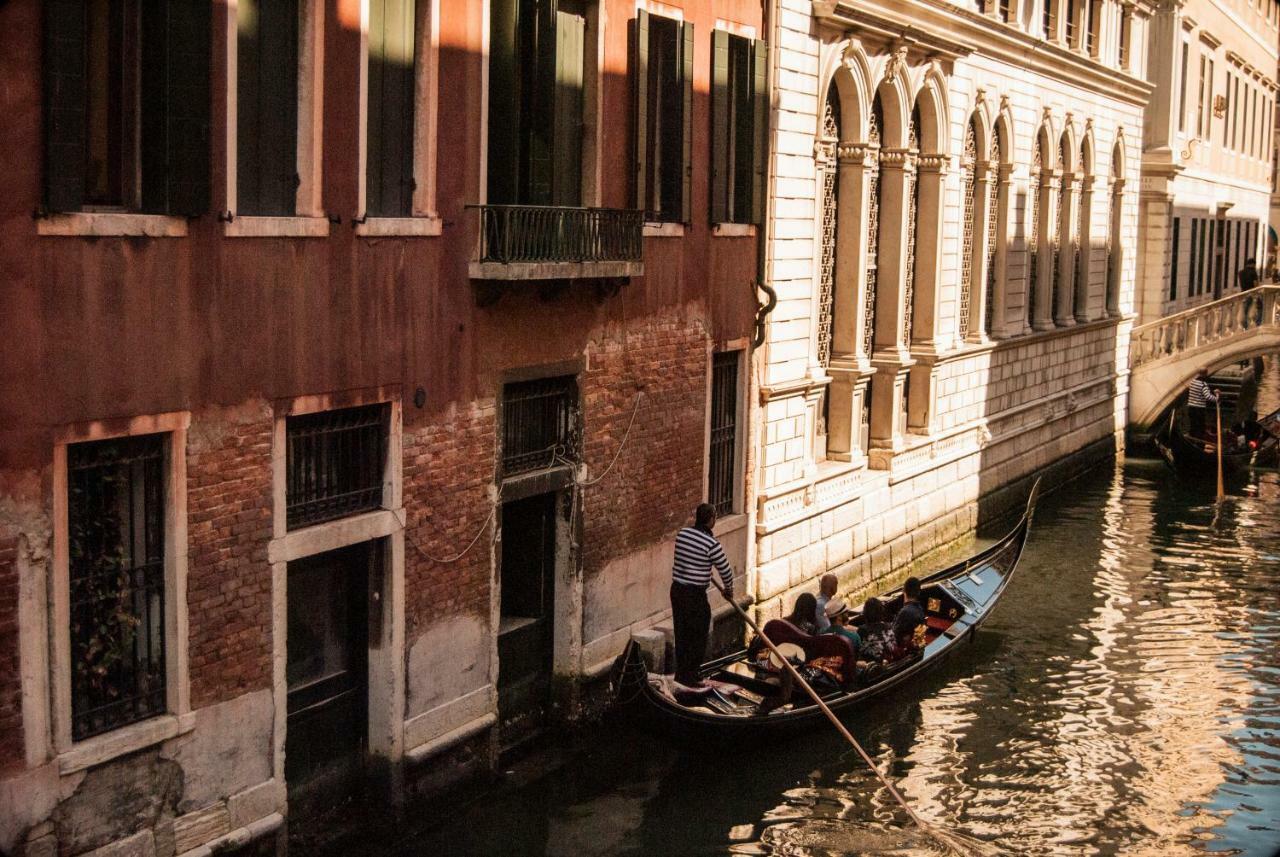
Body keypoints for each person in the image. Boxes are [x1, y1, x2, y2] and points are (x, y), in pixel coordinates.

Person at [670, 503, 735, 688]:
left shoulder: (682, 534)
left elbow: (688, 560)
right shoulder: (711, 544)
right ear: (711, 520)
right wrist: (728, 590)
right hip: (694, 596)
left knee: (682, 633)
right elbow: (726, 571)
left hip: (677, 591)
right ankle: (691, 676)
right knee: (698, 634)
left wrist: (703, 569)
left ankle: (681, 673)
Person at [892, 577, 927, 653]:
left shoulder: (905, 612)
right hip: (917, 647)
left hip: (906, 651)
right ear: (918, 592)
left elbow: (893, 635)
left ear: (904, 591)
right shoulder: (920, 609)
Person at [856, 598, 895, 663]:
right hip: (892, 661)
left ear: (865, 613)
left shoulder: (862, 630)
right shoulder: (888, 626)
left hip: (877, 667)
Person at [1186, 369, 1219, 439]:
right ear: (1205, 374)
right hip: (1199, 409)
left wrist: (1210, 391)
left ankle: (1192, 438)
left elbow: (1197, 391)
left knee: (1193, 425)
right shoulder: (1203, 384)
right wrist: (1217, 396)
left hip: (1191, 407)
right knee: (1200, 427)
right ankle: (1199, 441)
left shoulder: (1192, 381)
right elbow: (1208, 397)